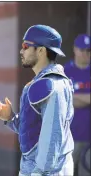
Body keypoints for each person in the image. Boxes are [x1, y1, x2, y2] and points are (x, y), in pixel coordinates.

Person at [0, 25, 75, 176]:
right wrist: (11, 118)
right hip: (35, 169)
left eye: (26, 46)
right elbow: (33, 131)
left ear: (41, 51)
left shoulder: (51, 85)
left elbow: (52, 134)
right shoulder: (41, 82)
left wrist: (40, 172)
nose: (21, 51)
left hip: (47, 171)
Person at [64, 34, 90, 176]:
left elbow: (73, 99)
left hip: (89, 137)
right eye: (82, 50)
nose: (85, 54)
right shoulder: (64, 72)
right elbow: (65, 100)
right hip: (69, 136)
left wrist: (77, 97)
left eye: (88, 50)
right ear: (74, 49)